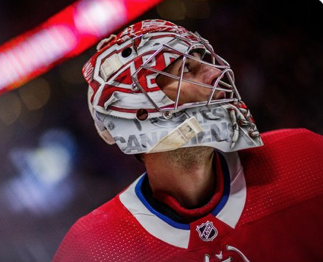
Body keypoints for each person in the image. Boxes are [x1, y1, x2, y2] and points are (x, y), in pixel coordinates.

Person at [53, 19, 323, 262]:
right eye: (188, 69)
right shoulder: (94, 251)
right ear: (137, 112)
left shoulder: (303, 156)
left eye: (205, 60)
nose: (214, 73)